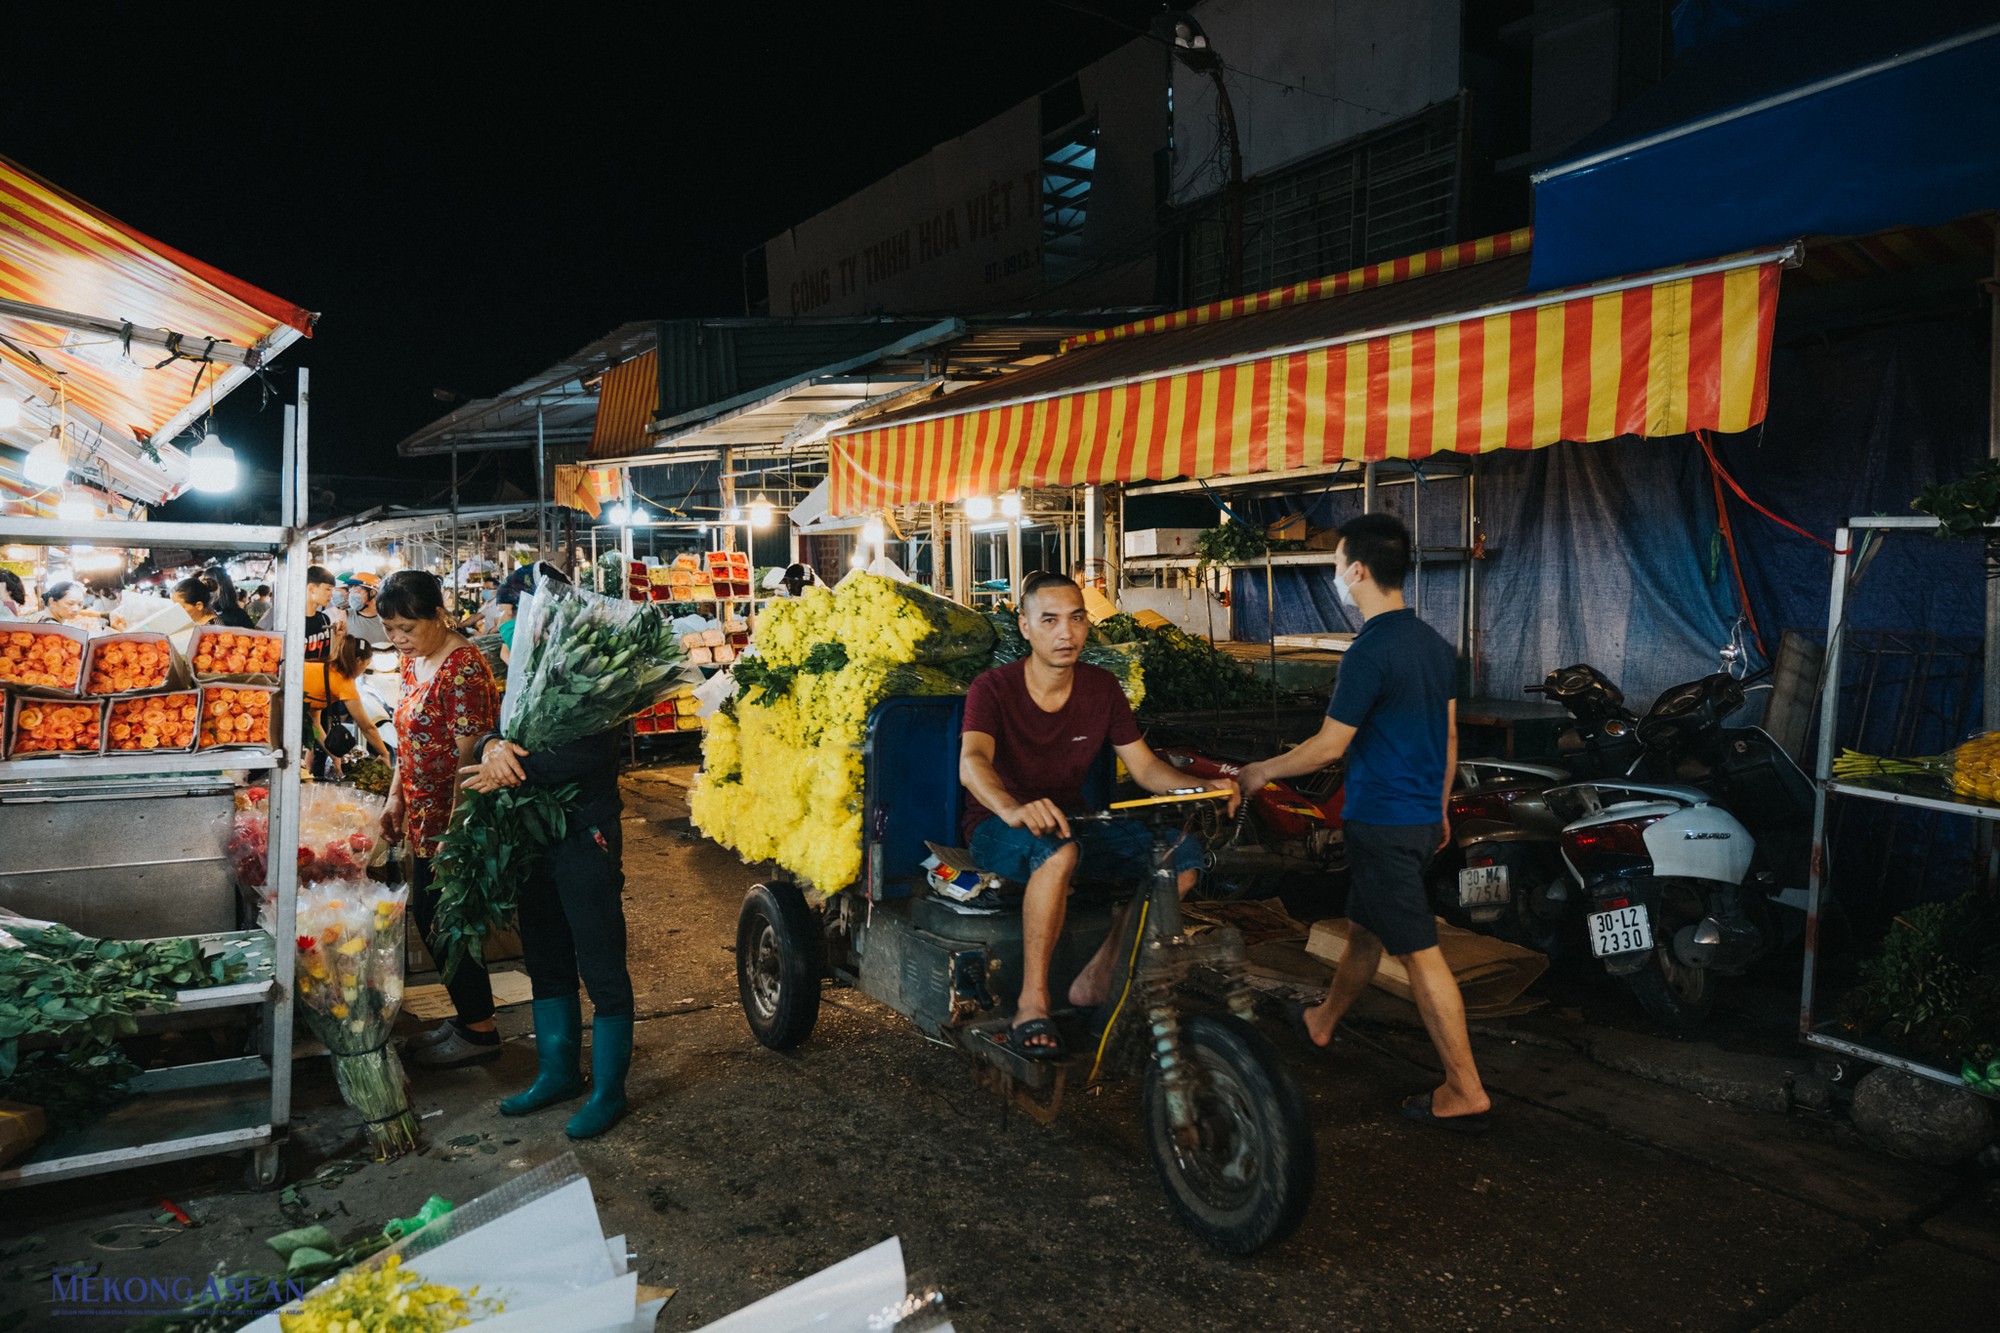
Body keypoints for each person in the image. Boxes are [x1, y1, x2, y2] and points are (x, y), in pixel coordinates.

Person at [1232, 513, 1491, 1132]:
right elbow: (1449, 734)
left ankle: (1465, 1088)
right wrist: (1439, 806)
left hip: (1381, 822)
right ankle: (1323, 1020)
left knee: (1421, 955)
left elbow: (1327, 747)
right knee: (1366, 929)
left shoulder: (1368, 652)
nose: (1336, 575)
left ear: (1358, 571)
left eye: (1337, 564)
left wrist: (1260, 770)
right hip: (1419, 819)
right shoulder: (1435, 646)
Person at [958, 570, 1238, 1060]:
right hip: (998, 825)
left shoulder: (1102, 687)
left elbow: (1147, 768)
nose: (1065, 633)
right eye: (1049, 620)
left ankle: (1100, 973)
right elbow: (973, 763)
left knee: (1183, 856)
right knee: (1058, 854)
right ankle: (1032, 1002)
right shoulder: (993, 687)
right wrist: (1013, 807)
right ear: (1024, 626)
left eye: (1076, 618)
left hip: (1078, 821)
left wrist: (1202, 785)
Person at [465, 562, 636, 1139]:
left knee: (600, 957)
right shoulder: (518, 669)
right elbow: (497, 726)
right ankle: (557, 1073)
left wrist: (513, 770)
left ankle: (610, 1091)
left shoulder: (591, 664)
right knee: (543, 952)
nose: (503, 626)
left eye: (511, 614)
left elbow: (592, 752)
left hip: (584, 830)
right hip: (532, 832)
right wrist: (492, 746)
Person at [376, 569, 503, 1069]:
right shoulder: (413, 665)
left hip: (454, 820)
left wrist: (456, 830)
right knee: (431, 918)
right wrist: (395, 799)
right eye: (390, 630)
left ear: (438, 615)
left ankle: (480, 1030)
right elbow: (406, 741)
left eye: (408, 627)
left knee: (447, 920)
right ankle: (469, 1018)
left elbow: (467, 755)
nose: (399, 639)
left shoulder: (464, 668)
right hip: (421, 815)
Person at [308, 628, 391, 771]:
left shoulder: (324, 669)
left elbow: (314, 725)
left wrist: (334, 756)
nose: (364, 670)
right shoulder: (344, 683)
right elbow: (367, 727)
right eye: (366, 665)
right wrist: (384, 754)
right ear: (359, 661)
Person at [338, 574, 388, 649]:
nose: (351, 593)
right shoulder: (346, 615)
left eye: (356, 588)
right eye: (351, 588)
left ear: (372, 593)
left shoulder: (387, 616)